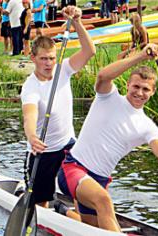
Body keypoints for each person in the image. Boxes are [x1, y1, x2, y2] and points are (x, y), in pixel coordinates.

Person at [57, 44, 158, 232]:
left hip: (99, 181)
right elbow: (103, 76)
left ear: (152, 92)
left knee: (92, 228)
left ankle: (63, 211)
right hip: (73, 169)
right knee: (104, 202)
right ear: (127, 84)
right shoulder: (108, 97)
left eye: (145, 89)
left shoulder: (147, 127)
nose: (139, 92)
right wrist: (140, 56)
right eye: (136, 86)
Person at [19, 5, 95, 216]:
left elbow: (90, 51)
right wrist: (32, 135)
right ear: (32, 58)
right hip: (42, 152)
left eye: (52, 58)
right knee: (41, 203)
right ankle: (54, 213)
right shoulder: (31, 87)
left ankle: (82, 222)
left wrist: (77, 22)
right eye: (43, 59)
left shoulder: (64, 69)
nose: (49, 63)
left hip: (68, 145)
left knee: (81, 189)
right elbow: (29, 115)